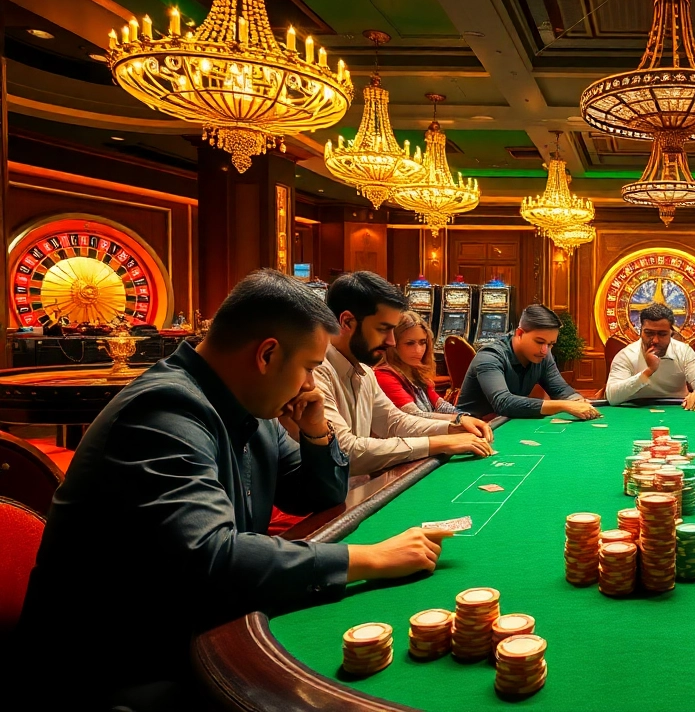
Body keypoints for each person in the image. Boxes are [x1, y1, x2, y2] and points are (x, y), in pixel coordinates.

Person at [13, 271, 460, 710]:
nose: (309, 386)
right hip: (118, 669)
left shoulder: (251, 407)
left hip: (184, 629)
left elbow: (317, 495)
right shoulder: (164, 410)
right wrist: (370, 558)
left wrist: (317, 431)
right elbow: (212, 558)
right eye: (307, 368)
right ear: (267, 354)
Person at [315, 272, 494, 477]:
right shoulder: (316, 372)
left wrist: (454, 426)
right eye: (383, 329)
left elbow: (395, 422)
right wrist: (440, 442)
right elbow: (345, 451)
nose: (392, 342)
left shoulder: (365, 372)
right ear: (346, 322)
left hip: (357, 492)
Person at [455, 303, 601, 420]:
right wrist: (564, 405)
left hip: (507, 424)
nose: (545, 350)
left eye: (550, 344)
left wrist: (578, 402)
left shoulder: (543, 355)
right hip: (469, 429)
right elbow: (503, 403)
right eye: (539, 342)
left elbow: (560, 390)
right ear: (519, 333)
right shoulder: (490, 356)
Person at [606, 303, 695, 410]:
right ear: (640, 332)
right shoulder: (626, 355)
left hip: (679, 411)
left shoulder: (684, 352)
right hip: (636, 412)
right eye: (649, 333)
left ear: (671, 333)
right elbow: (612, 397)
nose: (655, 340)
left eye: (662, 334)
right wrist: (648, 371)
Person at [376, 310, 461, 419]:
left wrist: (465, 415)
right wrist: (460, 419)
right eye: (410, 343)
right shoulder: (383, 375)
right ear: (393, 345)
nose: (418, 350)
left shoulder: (415, 371)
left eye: (422, 342)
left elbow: (441, 406)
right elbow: (415, 417)